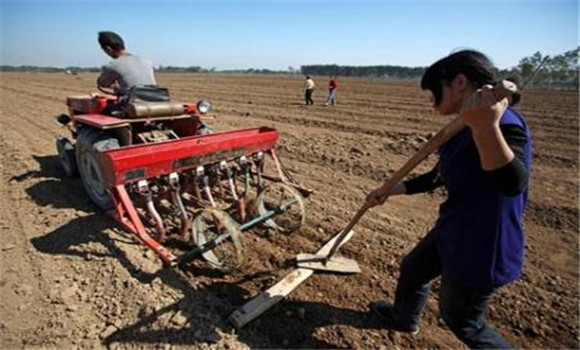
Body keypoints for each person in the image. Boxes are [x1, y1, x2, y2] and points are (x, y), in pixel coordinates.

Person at [366, 50, 531, 349]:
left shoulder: (502, 123)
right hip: (454, 226)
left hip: (482, 242)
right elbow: (439, 175)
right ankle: (404, 317)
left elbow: (513, 183)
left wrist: (486, 127)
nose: (431, 102)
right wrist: (389, 190)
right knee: (415, 269)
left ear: (458, 81)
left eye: (433, 92)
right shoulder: (462, 126)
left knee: (463, 320)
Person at [97, 31, 156, 97]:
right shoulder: (147, 61)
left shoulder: (113, 65)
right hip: (155, 100)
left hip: (133, 103)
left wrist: (114, 86)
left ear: (108, 49)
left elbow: (102, 83)